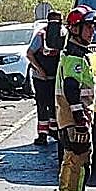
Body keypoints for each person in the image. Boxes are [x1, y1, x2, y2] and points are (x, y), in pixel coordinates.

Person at [55, 5, 96, 191]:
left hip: (69, 120)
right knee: (80, 165)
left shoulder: (75, 53)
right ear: (75, 29)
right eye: (89, 27)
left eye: (94, 27)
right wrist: (80, 117)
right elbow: (71, 87)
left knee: (69, 162)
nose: (93, 31)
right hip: (75, 121)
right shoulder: (75, 57)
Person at [26, 10, 63, 145]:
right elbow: (29, 53)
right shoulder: (41, 35)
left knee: (55, 105)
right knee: (42, 105)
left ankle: (54, 130)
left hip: (56, 78)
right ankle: (42, 134)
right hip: (40, 78)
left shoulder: (63, 34)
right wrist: (39, 69)